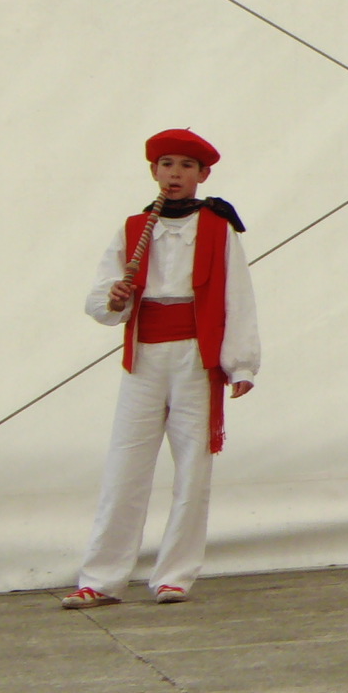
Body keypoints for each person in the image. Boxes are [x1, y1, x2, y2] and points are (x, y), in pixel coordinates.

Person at [62, 130, 258, 609]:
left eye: (186, 166)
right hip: (145, 358)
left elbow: (238, 296)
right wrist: (114, 301)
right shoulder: (133, 228)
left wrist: (240, 363)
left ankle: (175, 575)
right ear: (153, 170)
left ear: (203, 174)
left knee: (193, 468)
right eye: (167, 164)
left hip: (195, 356)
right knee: (125, 465)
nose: (175, 173)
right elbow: (101, 297)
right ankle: (101, 578)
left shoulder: (218, 227)